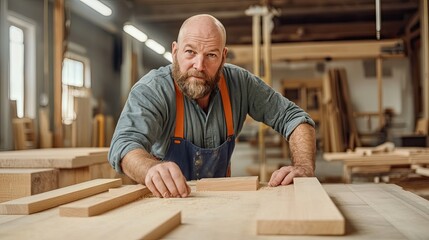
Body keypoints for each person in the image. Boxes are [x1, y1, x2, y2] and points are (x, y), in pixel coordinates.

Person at [108, 14, 316, 198]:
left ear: (223, 57)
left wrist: (303, 167)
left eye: (211, 55)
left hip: (221, 202)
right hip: (166, 203)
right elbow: (124, 145)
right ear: (175, 51)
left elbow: (295, 119)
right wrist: (150, 169)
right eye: (190, 52)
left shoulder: (240, 84)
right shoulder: (153, 89)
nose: (199, 66)